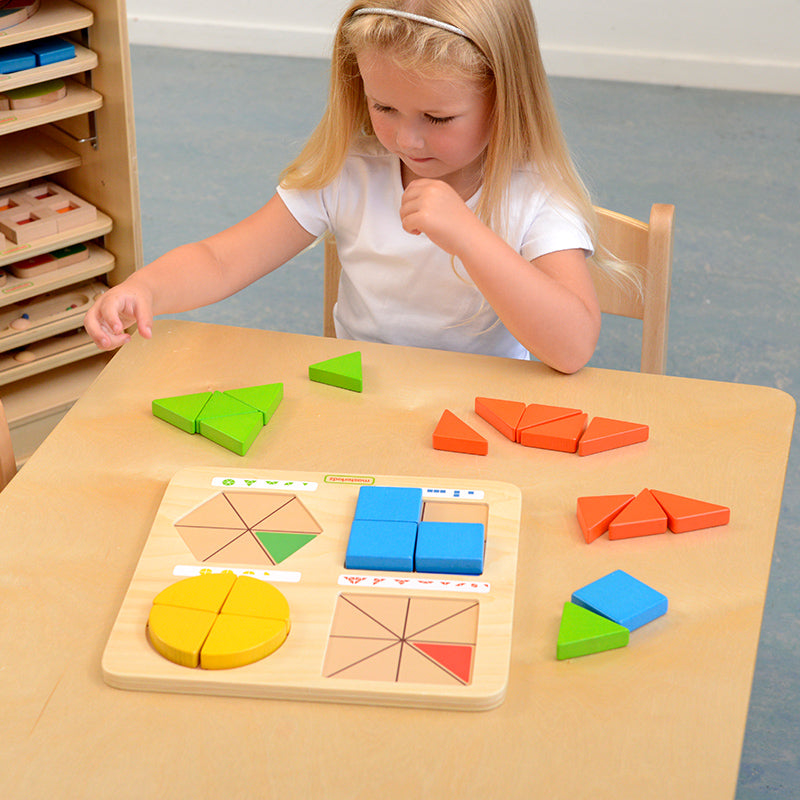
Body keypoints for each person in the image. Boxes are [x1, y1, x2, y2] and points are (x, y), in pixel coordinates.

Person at [85, 0, 636, 373]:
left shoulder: (536, 197)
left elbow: (571, 346)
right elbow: (223, 259)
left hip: (483, 413)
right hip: (363, 399)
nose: (406, 138)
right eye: (384, 106)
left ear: (507, 98)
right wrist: (147, 289)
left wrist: (469, 236)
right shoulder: (352, 168)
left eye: (438, 118)